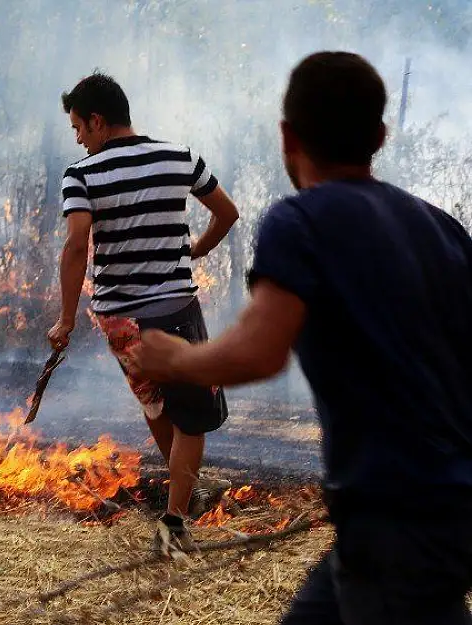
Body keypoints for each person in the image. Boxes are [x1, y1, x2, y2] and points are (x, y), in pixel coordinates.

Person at [132, 51, 472, 623]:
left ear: (288, 135)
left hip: (399, 513)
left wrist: (178, 358)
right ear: (380, 136)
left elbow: (260, 351)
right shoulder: (440, 227)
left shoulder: (303, 220)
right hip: (435, 508)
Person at [49, 72, 240, 554]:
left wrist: (66, 319)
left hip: (118, 320)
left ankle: (183, 498)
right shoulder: (179, 156)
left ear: (97, 121)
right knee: (191, 416)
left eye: (77, 127)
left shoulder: (81, 175)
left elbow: (76, 248)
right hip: (176, 309)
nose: (77, 138)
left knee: (157, 404)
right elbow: (228, 213)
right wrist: (195, 250)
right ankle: (177, 521)